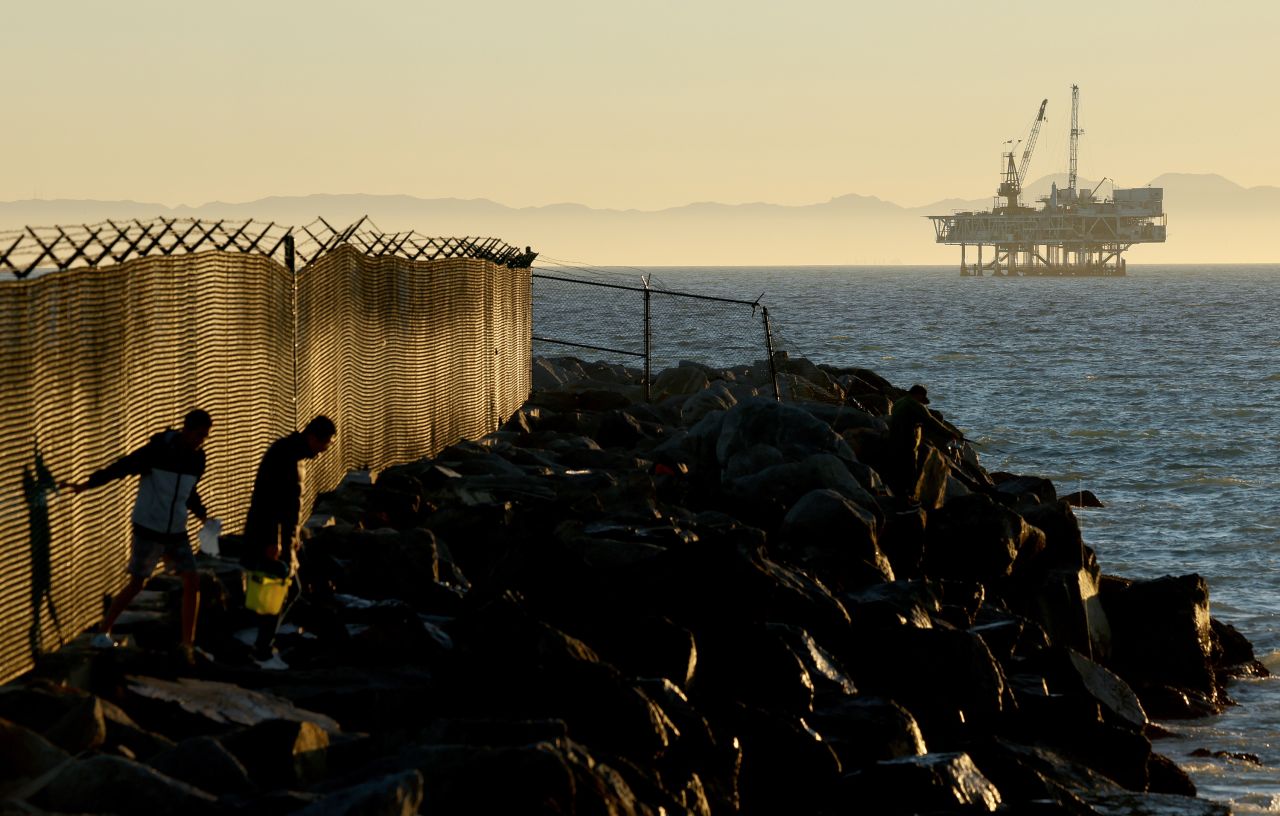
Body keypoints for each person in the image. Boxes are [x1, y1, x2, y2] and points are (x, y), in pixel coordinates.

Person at [62, 409, 212, 657]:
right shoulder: (158, 451)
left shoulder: (198, 459)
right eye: (198, 434)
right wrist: (86, 484)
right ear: (185, 430)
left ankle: (188, 645)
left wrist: (203, 515)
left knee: (193, 580)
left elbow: (190, 493)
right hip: (148, 527)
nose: (201, 440)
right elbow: (122, 467)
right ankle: (103, 632)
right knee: (137, 583)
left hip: (176, 530)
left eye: (205, 436)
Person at [242, 414, 336, 669]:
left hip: (279, 537)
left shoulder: (292, 454)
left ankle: (261, 644)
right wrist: (274, 541)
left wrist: (292, 538)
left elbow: (287, 504)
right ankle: (261, 649)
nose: (325, 448)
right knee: (283, 589)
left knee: (282, 589)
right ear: (313, 436)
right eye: (325, 442)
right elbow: (271, 500)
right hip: (270, 537)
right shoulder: (286, 456)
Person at [887, 385, 963, 499]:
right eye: (922, 399)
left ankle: (898, 495)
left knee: (898, 469)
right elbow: (931, 421)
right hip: (907, 442)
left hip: (893, 439)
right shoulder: (915, 404)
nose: (922, 402)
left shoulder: (899, 402)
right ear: (919, 395)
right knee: (910, 469)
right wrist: (950, 434)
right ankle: (909, 497)